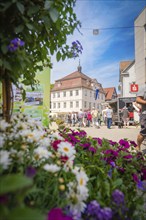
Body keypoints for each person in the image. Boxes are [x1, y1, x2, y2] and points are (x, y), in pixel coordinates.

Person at [136, 85, 146, 151]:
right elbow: (138, 100)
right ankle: (138, 146)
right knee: (143, 133)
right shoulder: (144, 87)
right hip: (145, 114)